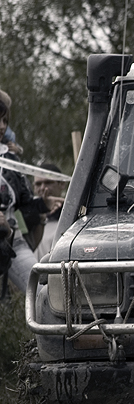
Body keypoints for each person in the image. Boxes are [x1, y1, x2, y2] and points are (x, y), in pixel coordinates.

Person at [0, 98, 54, 294]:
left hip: (12, 241)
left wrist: (43, 205)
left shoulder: (10, 159)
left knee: (44, 293)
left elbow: (25, 206)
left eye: (5, 121)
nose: (2, 126)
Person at [33, 163, 66, 260]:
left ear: (62, 184)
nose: (43, 188)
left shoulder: (73, 215)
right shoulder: (28, 217)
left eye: (48, 182)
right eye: (38, 184)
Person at [0, 89, 24, 157]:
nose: (2, 126)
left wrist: (17, 149)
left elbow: (18, 148)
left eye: (5, 121)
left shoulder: (9, 134)